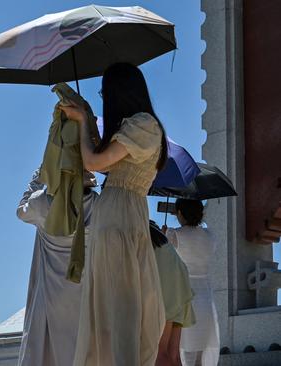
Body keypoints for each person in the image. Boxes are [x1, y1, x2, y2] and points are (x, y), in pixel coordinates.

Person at [60, 62, 167, 366]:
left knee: (122, 305)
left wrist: (82, 121)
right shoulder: (136, 127)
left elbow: (94, 162)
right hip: (123, 213)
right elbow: (104, 161)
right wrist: (88, 121)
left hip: (119, 214)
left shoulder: (142, 124)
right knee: (119, 302)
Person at [16, 169, 98, 366]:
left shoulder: (41, 203)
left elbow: (21, 210)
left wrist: (38, 177)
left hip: (50, 296)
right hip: (84, 294)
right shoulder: (97, 205)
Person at [164, 199, 220, 366]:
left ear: (180, 213)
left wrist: (163, 236)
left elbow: (165, 261)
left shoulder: (174, 234)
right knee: (199, 358)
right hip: (206, 299)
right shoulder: (210, 235)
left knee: (182, 353)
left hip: (185, 298)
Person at [150, 221, 195, 366]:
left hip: (167, 289)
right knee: (174, 354)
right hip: (180, 287)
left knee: (159, 352)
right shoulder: (160, 239)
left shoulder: (141, 235)